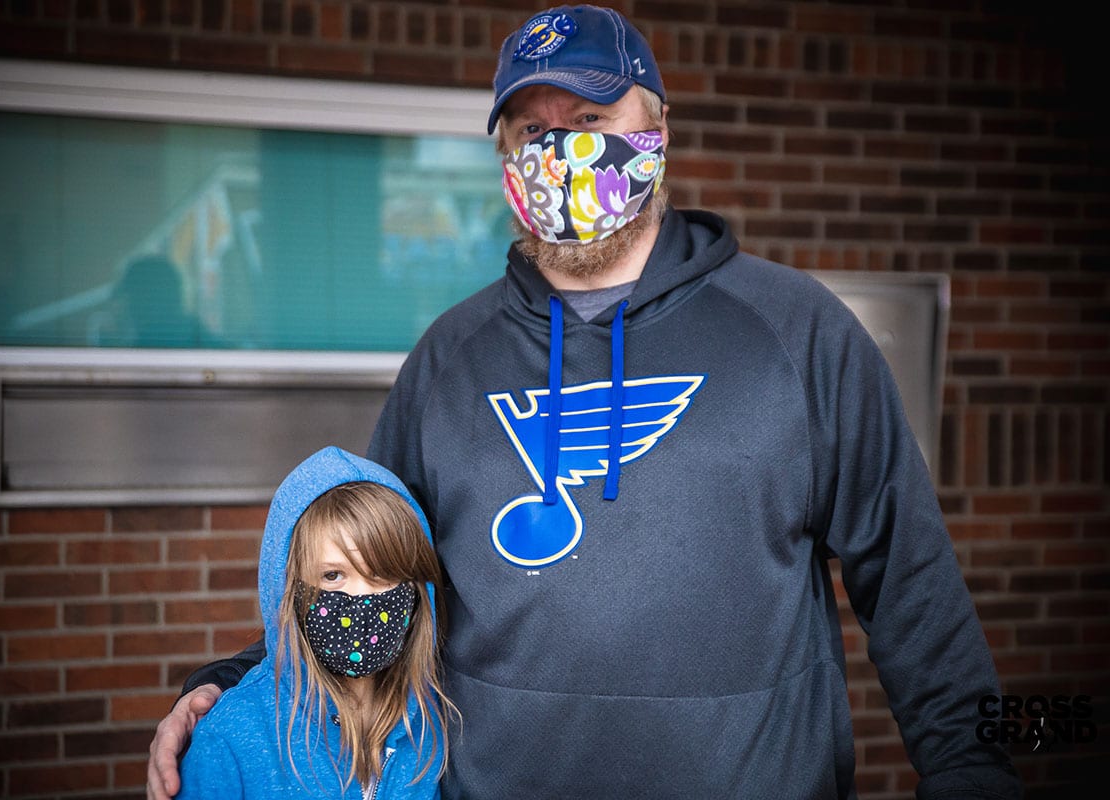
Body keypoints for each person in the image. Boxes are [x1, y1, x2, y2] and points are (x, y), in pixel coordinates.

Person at [149, 5, 1023, 798]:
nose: (559, 152)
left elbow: (911, 586)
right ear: (504, 157)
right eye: (534, 129)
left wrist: (974, 772)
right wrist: (235, 680)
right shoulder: (448, 358)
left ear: (657, 125)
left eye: (592, 121)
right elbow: (373, 569)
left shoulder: (799, 335)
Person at [171, 446, 452, 799]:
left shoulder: (428, 726)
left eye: (384, 574)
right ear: (290, 591)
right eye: (333, 575)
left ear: (416, 590)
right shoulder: (231, 735)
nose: (361, 601)